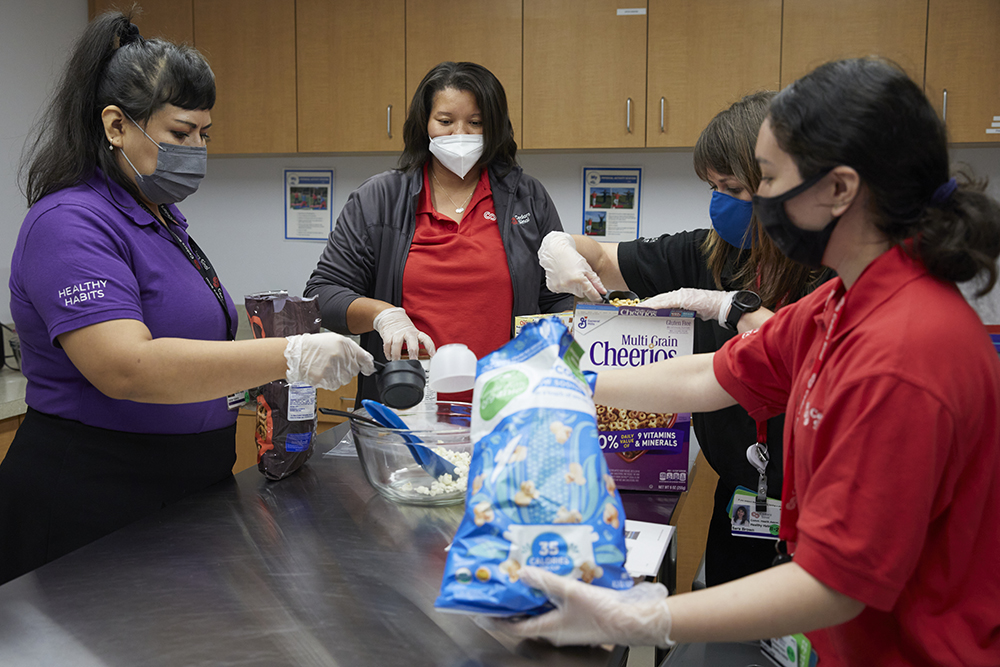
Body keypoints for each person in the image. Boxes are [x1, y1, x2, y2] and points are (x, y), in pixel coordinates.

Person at [488, 57, 1000, 665]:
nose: (757, 203)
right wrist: (569, 380)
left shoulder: (906, 353)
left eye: (766, 180)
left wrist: (636, 613)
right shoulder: (841, 302)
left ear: (838, 189)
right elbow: (714, 375)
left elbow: (833, 585)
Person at [1, 12, 374, 585]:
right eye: (180, 133)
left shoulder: (162, 219)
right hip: (93, 497)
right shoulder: (69, 223)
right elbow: (129, 366)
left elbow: (198, 339)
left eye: (204, 134)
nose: (196, 149)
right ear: (115, 125)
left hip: (182, 490)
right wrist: (290, 354)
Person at [539, 91, 830, 587]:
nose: (719, 199)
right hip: (745, 496)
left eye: (733, 186)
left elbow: (798, 360)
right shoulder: (709, 253)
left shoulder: (828, 269)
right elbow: (605, 259)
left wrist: (730, 307)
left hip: (821, 501)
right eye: (712, 186)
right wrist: (562, 247)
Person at [304, 61, 573, 404]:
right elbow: (321, 295)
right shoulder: (380, 199)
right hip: (405, 405)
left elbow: (557, 299)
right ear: (425, 123)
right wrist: (382, 315)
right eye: (445, 121)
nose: (459, 133)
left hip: (507, 406)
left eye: (476, 123)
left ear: (495, 128)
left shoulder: (527, 198)